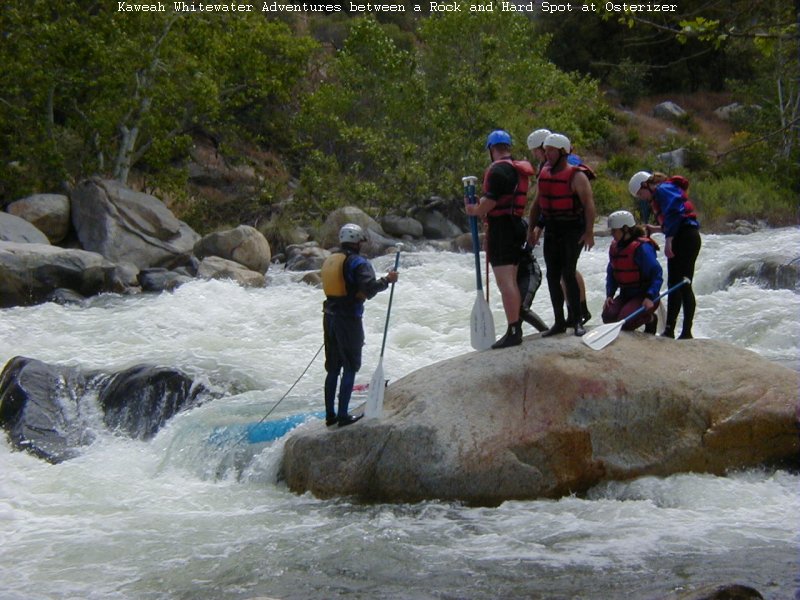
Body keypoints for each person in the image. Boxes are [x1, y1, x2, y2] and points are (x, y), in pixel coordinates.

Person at [321, 223, 398, 426]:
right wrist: (387, 280)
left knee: (333, 368)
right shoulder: (358, 262)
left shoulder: (331, 259)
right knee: (350, 366)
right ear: (357, 241)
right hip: (348, 320)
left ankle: (330, 415)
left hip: (329, 317)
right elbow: (370, 288)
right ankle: (343, 415)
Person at [465, 129, 535, 349]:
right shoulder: (515, 168)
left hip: (502, 229)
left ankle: (513, 330)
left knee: (505, 282)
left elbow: (490, 203)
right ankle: (515, 328)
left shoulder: (498, 171)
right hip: (515, 226)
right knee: (510, 279)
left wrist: (474, 210)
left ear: (491, 149)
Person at [528, 133, 596, 337]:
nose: (547, 154)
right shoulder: (544, 173)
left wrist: (589, 232)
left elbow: (589, 205)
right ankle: (559, 322)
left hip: (572, 229)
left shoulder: (577, 176)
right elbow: (537, 205)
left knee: (568, 273)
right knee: (552, 275)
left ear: (563, 152)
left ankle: (577, 320)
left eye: (551, 151)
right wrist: (532, 229)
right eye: (546, 150)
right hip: (553, 229)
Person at [629, 171, 701, 339]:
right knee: (674, 284)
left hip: (686, 238)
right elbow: (673, 221)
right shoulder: (661, 192)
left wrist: (669, 240)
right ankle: (669, 329)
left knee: (684, 284)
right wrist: (656, 229)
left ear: (645, 185)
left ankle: (686, 332)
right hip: (681, 237)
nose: (642, 198)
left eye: (640, 194)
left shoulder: (662, 189)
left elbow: (675, 213)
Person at [602, 210, 663, 332]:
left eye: (614, 231)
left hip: (644, 295)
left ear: (625, 229)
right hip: (626, 294)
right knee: (608, 317)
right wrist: (610, 295)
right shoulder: (616, 247)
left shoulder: (642, 248)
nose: (612, 234)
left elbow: (657, 274)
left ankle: (650, 319)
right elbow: (612, 273)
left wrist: (650, 296)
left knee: (624, 323)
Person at [517, 236, 548, 332]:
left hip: (530, 273)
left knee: (521, 308)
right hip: (515, 277)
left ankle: (546, 331)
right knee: (515, 315)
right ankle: (514, 334)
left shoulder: (518, 230)